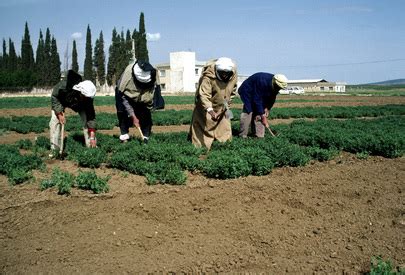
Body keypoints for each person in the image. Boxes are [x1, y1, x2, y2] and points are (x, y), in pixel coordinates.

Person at [189, 57, 238, 149]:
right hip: (206, 105)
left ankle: (224, 144)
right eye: (222, 73)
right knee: (204, 124)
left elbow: (232, 92)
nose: (224, 75)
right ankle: (201, 147)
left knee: (224, 124)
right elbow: (204, 95)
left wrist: (226, 106)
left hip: (223, 104)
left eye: (227, 73)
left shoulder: (233, 75)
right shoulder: (207, 77)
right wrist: (210, 110)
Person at [49, 70, 97, 152]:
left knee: (87, 121)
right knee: (54, 121)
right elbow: (54, 96)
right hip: (61, 101)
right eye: (84, 96)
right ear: (80, 91)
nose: (86, 99)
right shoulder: (64, 86)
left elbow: (91, 117)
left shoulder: (88, 99)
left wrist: (92, 136)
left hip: (79, 105)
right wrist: (59, 113)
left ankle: (91, 147)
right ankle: (55, 149)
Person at [115, 60, 159, 144]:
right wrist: (134, 117)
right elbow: (125, 100)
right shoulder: (127, 76)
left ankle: (145, 137)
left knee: (146, 114)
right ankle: (124, 137)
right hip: (125, 95)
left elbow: (151, 95)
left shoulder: (152, 74)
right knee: (122, 112)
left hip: (143, 96)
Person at [238, 73, 288, 138]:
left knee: (259, 114)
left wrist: (268, 108)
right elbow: (257, 99)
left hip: (259, 94)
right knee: (248, 111)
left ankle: (259, 136)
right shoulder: (262, 82)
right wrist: (263, 116)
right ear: (275, 82)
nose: (279, 89)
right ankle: (243, 135)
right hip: (248, 92)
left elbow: (272, 97)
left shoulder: (275, 86)